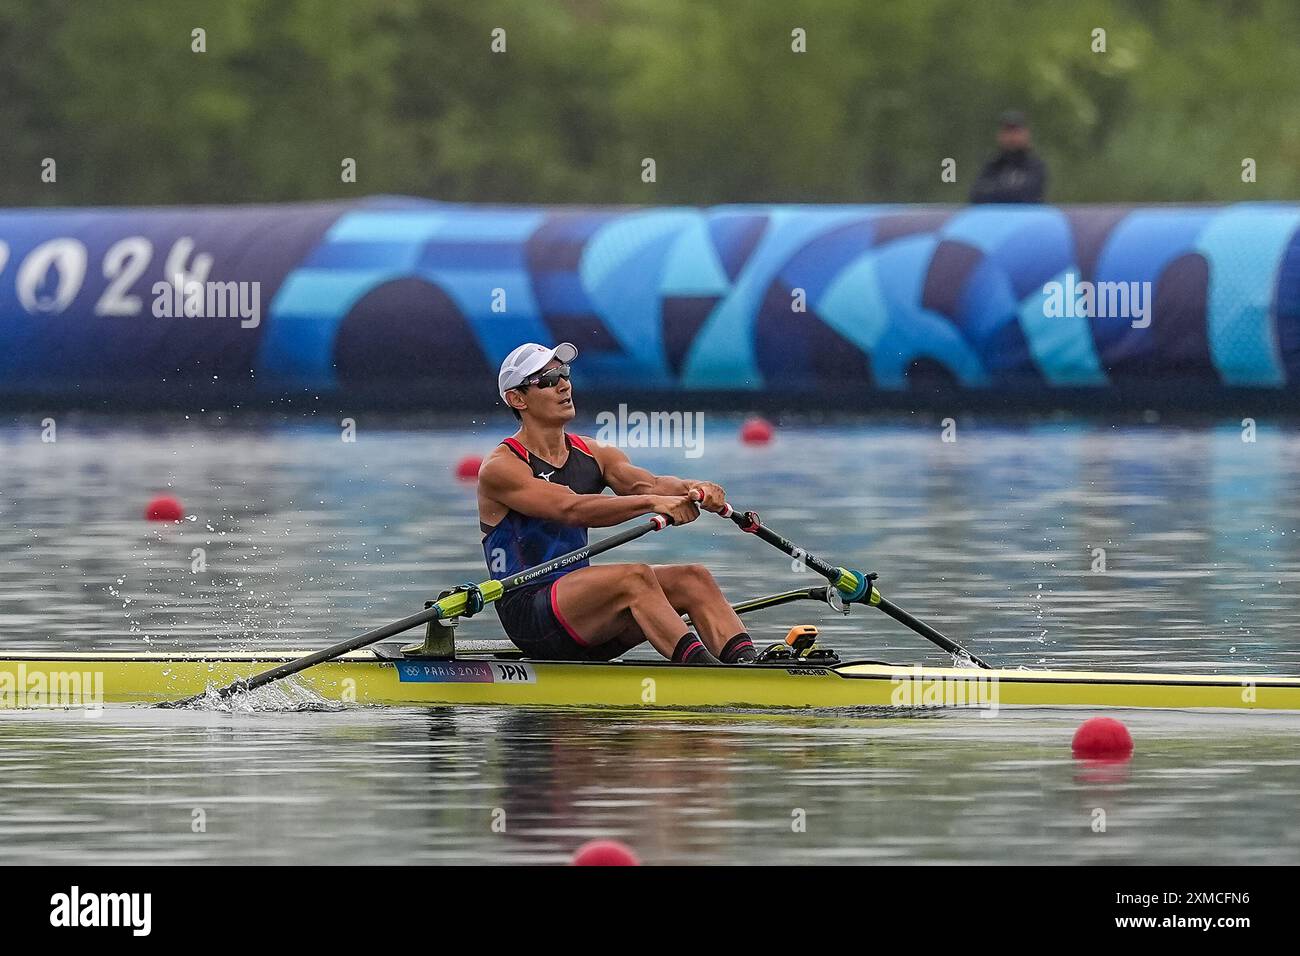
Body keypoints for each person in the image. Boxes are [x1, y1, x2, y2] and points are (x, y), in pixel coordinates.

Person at [477, 342, 755, 664]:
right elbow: (572, 509)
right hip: (532, 614)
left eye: (564, 373)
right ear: (517, 398)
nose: (564, 384)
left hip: (588, 614)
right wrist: (653, 504)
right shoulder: (502, 467)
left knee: (693, 577)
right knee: (633, 577)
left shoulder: (595, 453)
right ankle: (705, 674)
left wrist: (694, 487)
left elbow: (647, 484)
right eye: (548, 379)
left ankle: (749, 667)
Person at [969, 110, 1048, 204]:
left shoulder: (1035, 166)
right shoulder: (992, 165)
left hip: (1026, 218)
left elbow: (1028, 195)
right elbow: (977, 195)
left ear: (1026, 134)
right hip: (996, 217)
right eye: (1007, 131)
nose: (1011, 136)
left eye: (1016, 131)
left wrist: (997, 190)